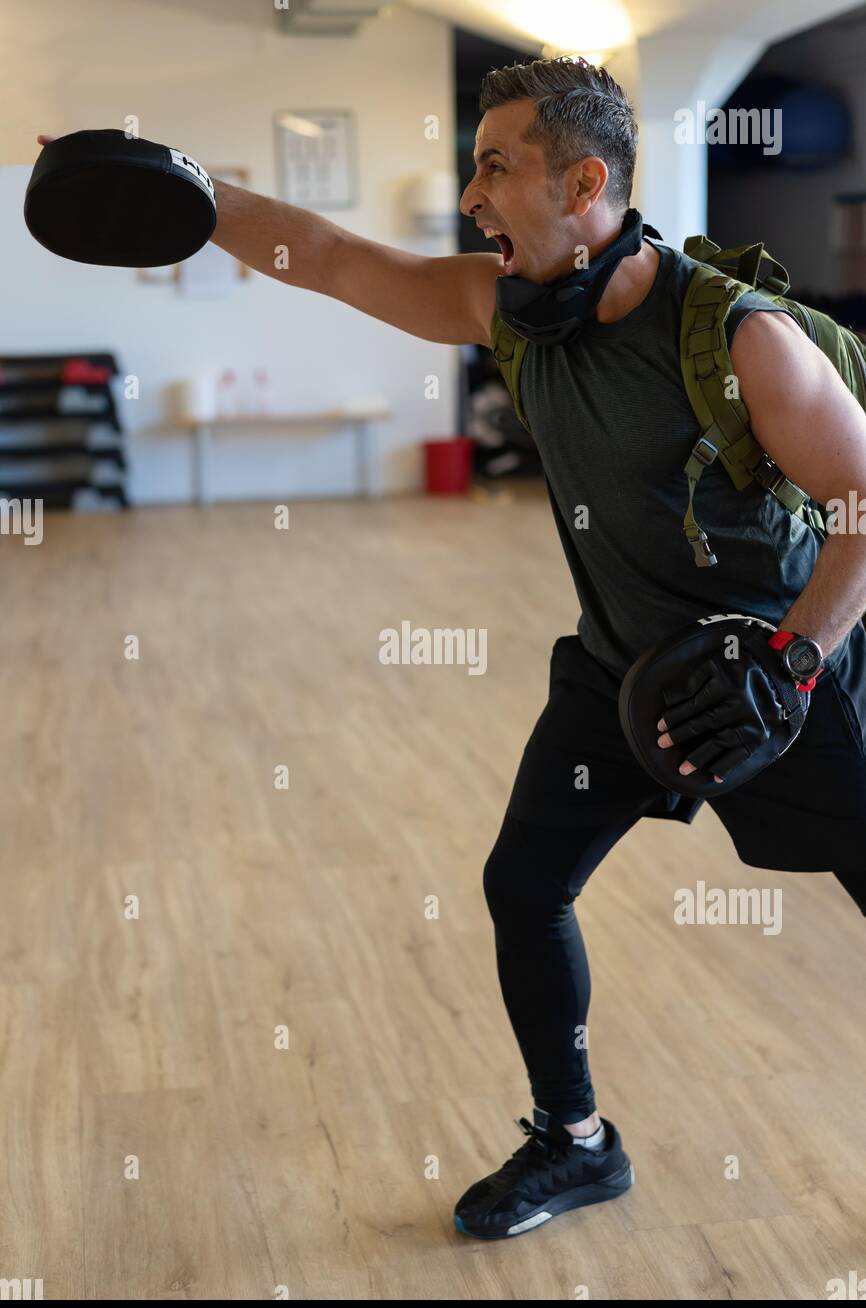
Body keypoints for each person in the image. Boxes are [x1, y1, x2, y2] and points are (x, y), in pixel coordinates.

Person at [120, 55, 866, 1240]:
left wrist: (791, 662)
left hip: (771, 670)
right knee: (523, 884)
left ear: (583, 184)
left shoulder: (739, 337)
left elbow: (861, 506)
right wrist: (182, 190)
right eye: (474, 163)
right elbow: (327, 258)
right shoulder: (505, 308)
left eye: (495, 166)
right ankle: (574, 1143)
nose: (470, 194)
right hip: (621, 670)